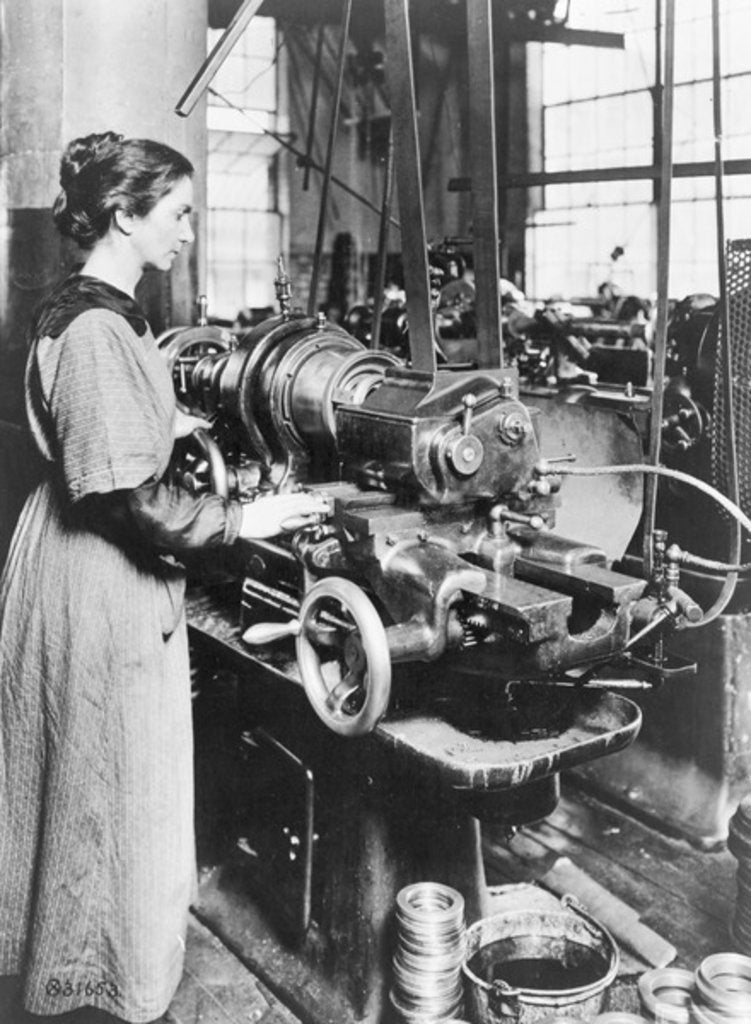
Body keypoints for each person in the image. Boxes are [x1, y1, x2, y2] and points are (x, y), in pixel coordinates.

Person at [0, 131, 328, 1024]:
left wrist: (168, 416)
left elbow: (104, 419)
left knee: (87, 776)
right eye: (177, 213)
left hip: (73, 562)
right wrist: (244, 520)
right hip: (96, 575)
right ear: (125, 214)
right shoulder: (101, 326)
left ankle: (74, 962)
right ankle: (94, 984)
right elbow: (126, 503)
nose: (188, 230)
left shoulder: (93, 308)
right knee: (103, 780)